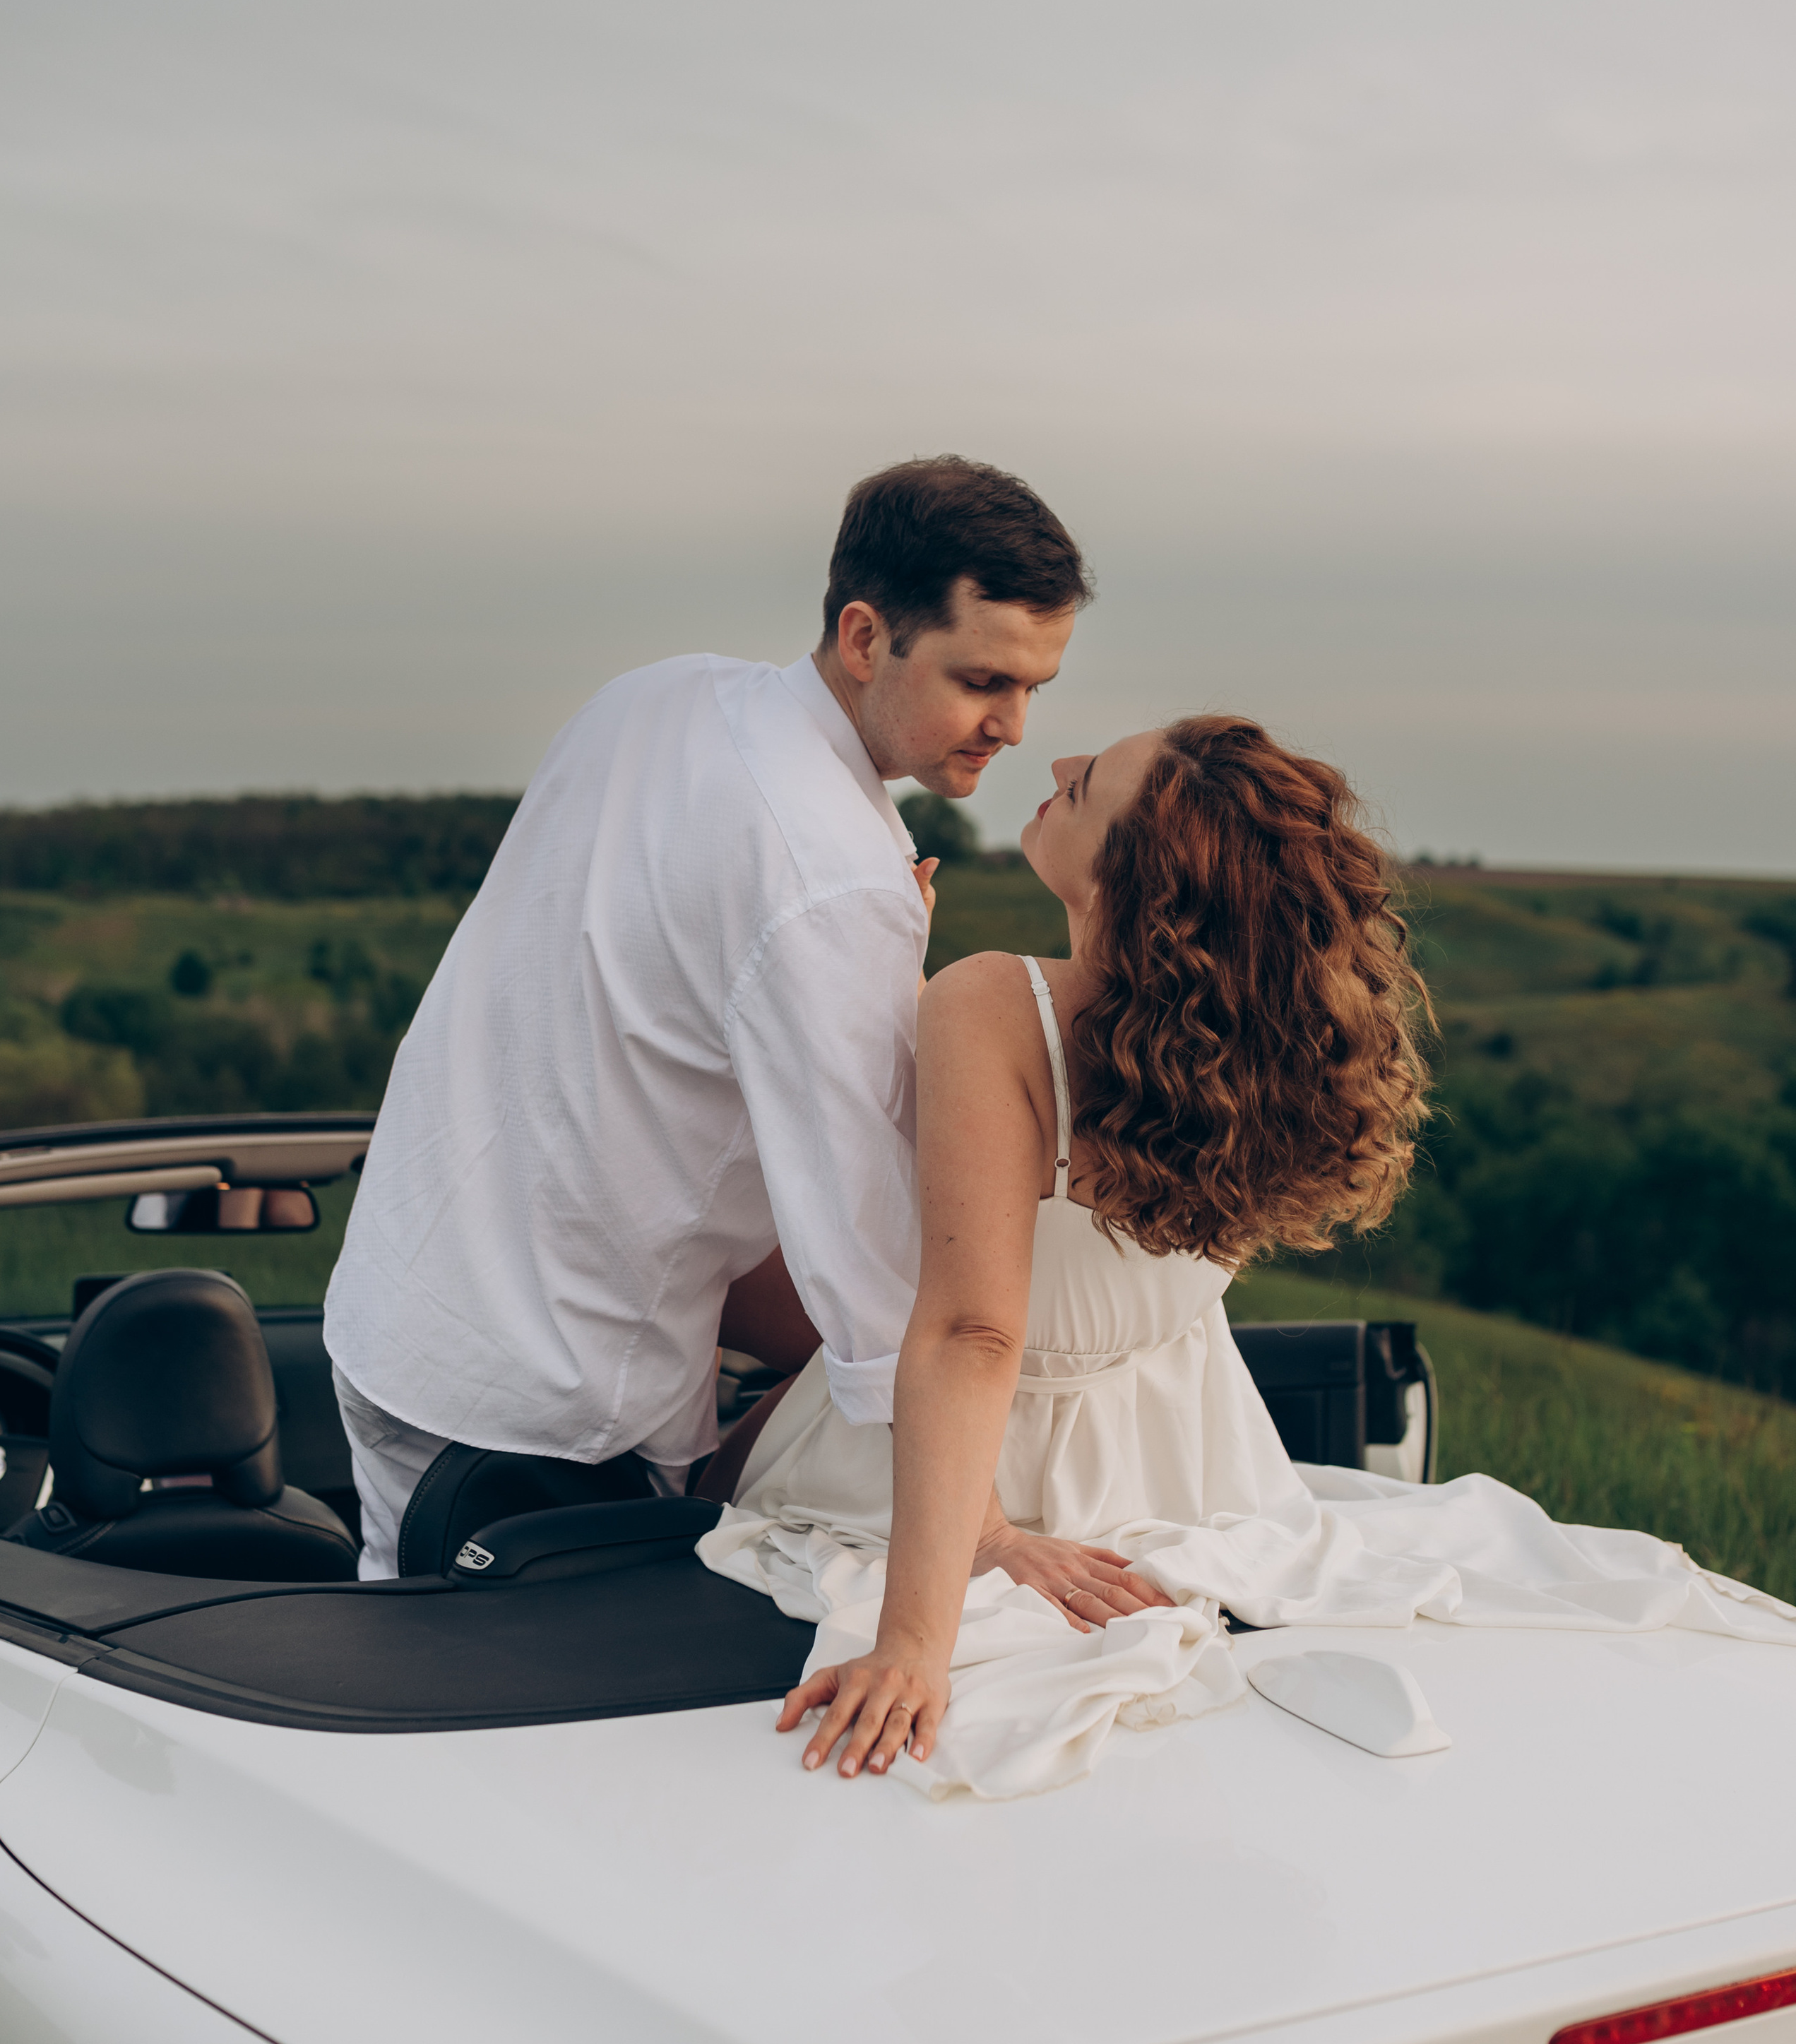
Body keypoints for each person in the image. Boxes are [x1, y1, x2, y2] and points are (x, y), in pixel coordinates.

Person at [701, 717, 1796, 1798]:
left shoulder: (998, 1005)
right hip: (1178, 1459)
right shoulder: (1242, 1058)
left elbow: (976, 1332)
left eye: (1085, 787)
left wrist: (915, 1636)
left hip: (966, 1451)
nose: (1060, 762)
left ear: (1136, 881)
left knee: (708, 1433)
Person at [323, 456, 1090, 1578]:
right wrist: (983, 1533)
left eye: (1034, 687)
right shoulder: (832, 876)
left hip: (402, 1303)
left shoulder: (654, 698)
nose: (1013, 725)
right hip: (545, 1405)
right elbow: (867, 1265)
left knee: (387, 1627)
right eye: (984, 680)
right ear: (866, 635)